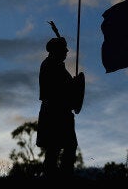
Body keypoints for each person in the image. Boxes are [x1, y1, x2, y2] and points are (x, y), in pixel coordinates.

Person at [35, 35, 83, 179]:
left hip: (61, 112)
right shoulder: (50, 65)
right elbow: (56, 90)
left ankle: (63, 176)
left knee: (65, 147)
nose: (67, 51)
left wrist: (74, 85)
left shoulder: (56, 65)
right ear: (57, 50)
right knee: (55, 148)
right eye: (64, 49)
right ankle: (58, 178)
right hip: (54, 112)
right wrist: (72, 85)